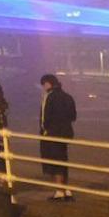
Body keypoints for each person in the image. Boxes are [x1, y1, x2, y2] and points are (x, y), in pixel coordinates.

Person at [38, 73, 78, 201]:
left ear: (47, 84)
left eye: (43, 85)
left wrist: (45, 131)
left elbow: (45, 119)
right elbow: (73, 116)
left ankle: (59, 190)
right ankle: (66, 189)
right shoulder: (68, 97)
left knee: (54, 162)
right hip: (65, 133)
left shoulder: (48, 97)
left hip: (51, 134)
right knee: (62, 160)